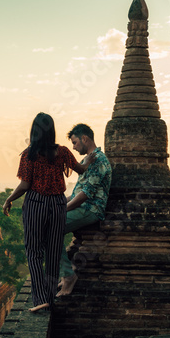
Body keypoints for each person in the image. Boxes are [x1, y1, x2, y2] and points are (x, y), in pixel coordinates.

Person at [2, 113, 93, 312]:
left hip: (36, 203)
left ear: (34, 131)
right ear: (52, 130)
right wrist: (91, 158)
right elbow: (82, 169)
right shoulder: (62, 152)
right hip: (57, 204)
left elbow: (25, 185)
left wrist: (9, 199)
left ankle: (40, 298)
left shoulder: (29, 154)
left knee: (34, 252)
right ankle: (50, 298)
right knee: (53, 251)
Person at [56, 123, 112, 297]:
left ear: (85, 138)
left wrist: (63, 210)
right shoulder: (86, 161)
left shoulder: (99, 161)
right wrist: (55, 204)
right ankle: (66, 273)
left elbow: (86, 194)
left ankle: (68, 275)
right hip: (81, 206)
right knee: (46, 226)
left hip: (91, 209)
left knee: (49, 228)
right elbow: (75, 194)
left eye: (75, 142)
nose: (73, 146)